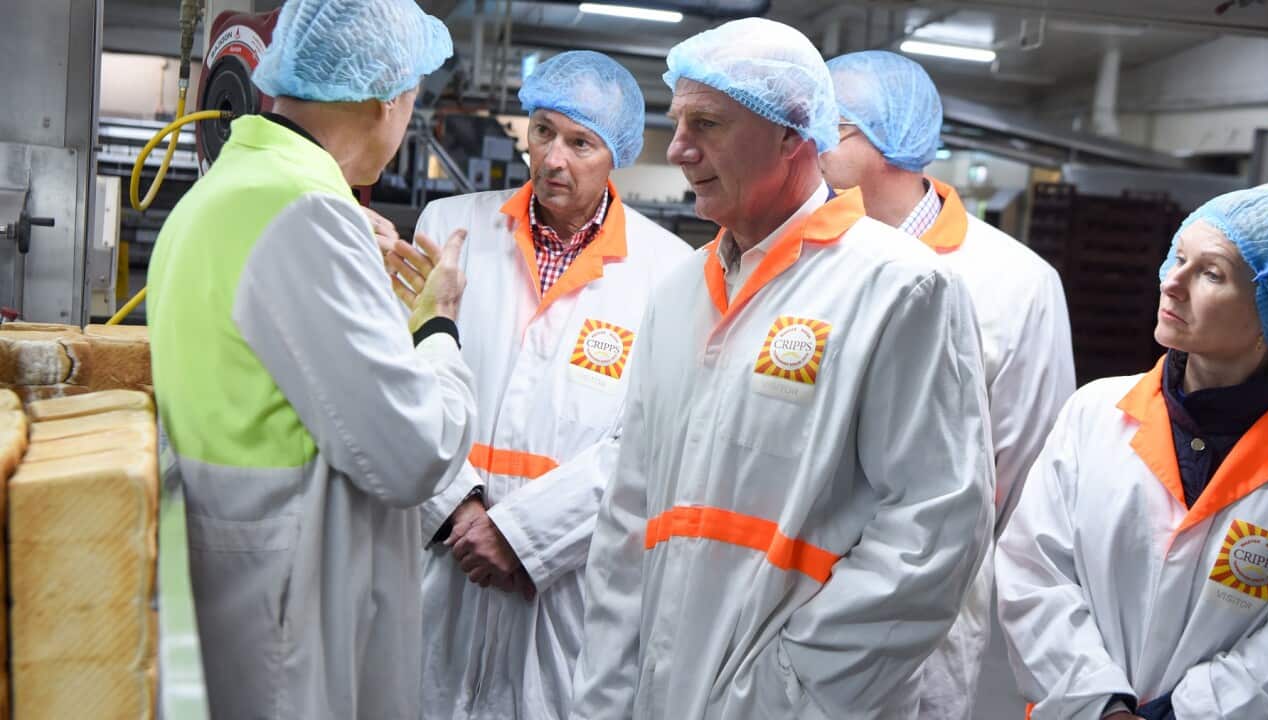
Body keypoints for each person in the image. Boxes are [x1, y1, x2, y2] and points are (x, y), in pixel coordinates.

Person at [569, 18, 994, 720]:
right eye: (677, 122)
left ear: (793, 134)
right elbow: (628, 519)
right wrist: (604, 697)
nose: (677, 149)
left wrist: (791, 687)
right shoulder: (679, 293)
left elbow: (935, 527)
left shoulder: (898, 287)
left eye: (707, 124)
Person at [146, 1, 475, 717]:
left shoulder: (225, 193)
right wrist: (436, 324)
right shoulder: (306, 213)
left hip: (234, 587)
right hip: (287, 615)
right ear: (387, 96)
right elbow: (411, 450)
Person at [389, 50, 690, 719]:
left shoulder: (670, 271)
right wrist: (456, 509)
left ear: (616, 155)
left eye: (581, 142)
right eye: (545, 131)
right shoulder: (450, 226)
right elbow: (406, 378)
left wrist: (526, 538)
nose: (554, 159)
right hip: (445, 557)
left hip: (563, 580)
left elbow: (649, 437)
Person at [821, 51, 1076, 720]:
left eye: (827, 124)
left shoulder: (1016, 281)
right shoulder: (797, 252)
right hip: (787, 578)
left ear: (884, 143)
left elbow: (1024, 472)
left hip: (923, 609)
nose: (805, 141)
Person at [996, 186, 1268, 719]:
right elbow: (1034, 571)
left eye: (1211, 273)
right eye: (1177, 258)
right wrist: (1102, 706)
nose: (1172, 284)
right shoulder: (1095, 413)